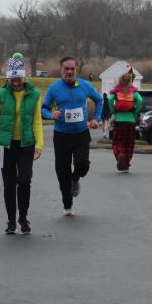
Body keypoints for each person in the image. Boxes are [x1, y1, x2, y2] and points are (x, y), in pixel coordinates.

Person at [0, 53, 43, 234]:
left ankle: (23, 218)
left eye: (19, 79)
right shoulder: (1, 94)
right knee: (9, 184)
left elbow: (37, 121)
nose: (16, 83)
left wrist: (39, 144)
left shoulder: (34, 94)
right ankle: (11, 221)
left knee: (24, 181)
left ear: (24, 77)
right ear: (8, 79)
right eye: (12, 80)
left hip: (26, 144)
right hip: (5, 145)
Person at [41, 56, 103, 216]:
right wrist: (50, 114)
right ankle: (67, 205)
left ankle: (75, 179)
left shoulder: (85, 85)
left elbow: (99, 100)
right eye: (66, 69)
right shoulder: (54, 88)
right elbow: (43, 109)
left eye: (72, 69)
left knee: (82, 165)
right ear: (61, 70)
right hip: (61, 136)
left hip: (81, 134)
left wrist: (96, 118)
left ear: (76, 70)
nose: (69, 71)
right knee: (62, 173)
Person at [107, 70, 143, 173]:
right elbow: (140, 100)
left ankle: (120, 154)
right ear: (129, 82)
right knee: (129, 143)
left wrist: (113, 112)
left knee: (117, 141)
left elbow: (110, 99)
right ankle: (126, 163)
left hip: (118, 120)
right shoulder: (134, 93)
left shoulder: (116, 92)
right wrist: (135, 113)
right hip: (130, 121)